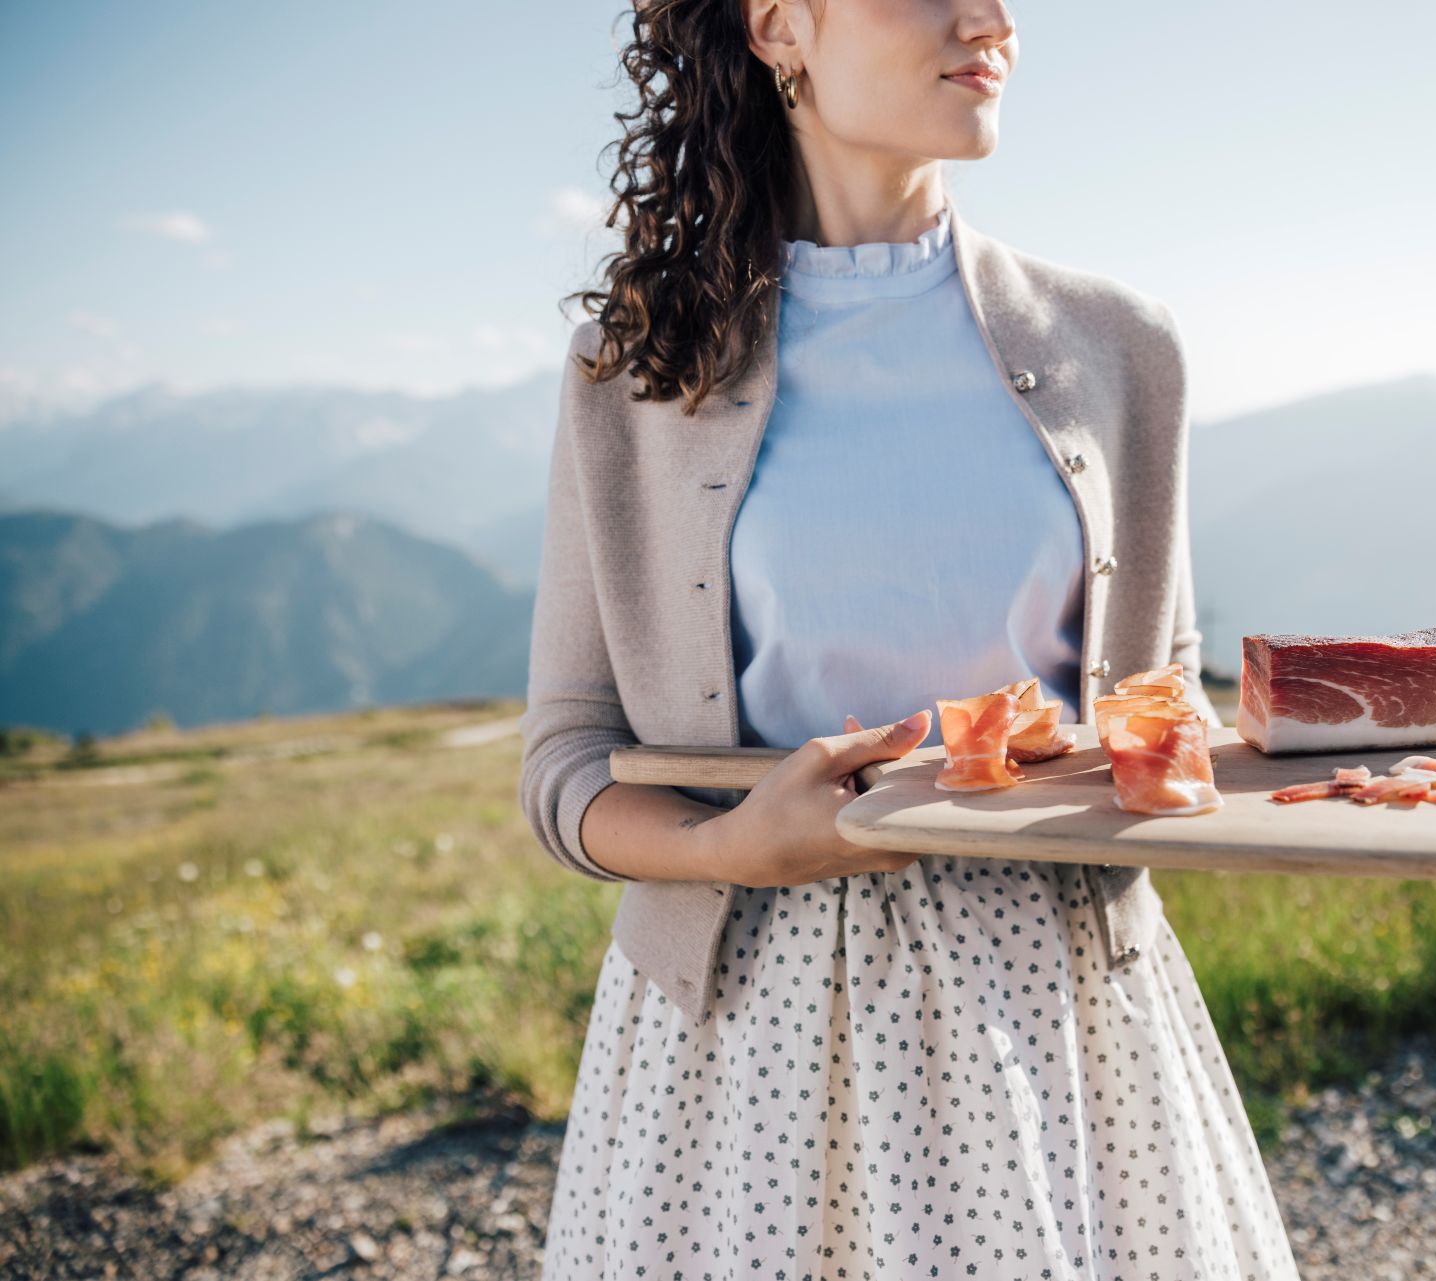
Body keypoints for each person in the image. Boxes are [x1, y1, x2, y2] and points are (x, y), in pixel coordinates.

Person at [519, 0, 1302, 1275]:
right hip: (741, 1020)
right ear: (782, 27)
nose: (989, 17)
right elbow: (565, 757)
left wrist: (1347, 771)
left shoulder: (1122, 348)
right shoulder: (639, 366)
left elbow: (1158, 712)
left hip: (1056, 1012)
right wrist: (730, 849)